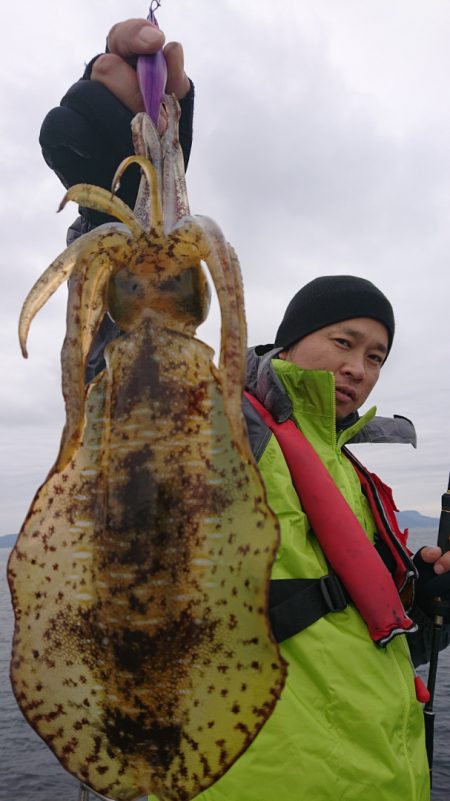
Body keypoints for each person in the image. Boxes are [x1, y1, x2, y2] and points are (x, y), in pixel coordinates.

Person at [40, 17, 450, 801]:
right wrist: (111, 183)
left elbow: (350, 631)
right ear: (290, 343)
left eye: (377, 355)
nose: (360, 367)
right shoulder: (230, 422)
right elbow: (123, 368)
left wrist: (429, 610)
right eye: (344, 341)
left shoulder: (353, 477)